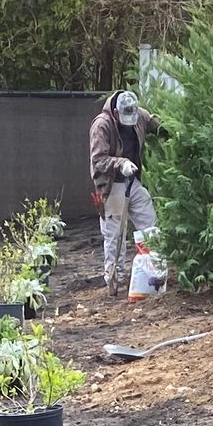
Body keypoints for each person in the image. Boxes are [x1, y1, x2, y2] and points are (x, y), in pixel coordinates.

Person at [89, 88, 160, 290]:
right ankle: (114, 279)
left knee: (149, 220)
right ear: (116, 112)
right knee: (115, 234)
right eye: (124, 117)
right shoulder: (101, 125)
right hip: (112, 184)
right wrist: (120, 163)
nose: (129, 120)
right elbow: (98, 160)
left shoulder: (139, 116)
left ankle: (154, 269)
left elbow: (156, 124)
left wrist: (171, 130)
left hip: (132, 182)